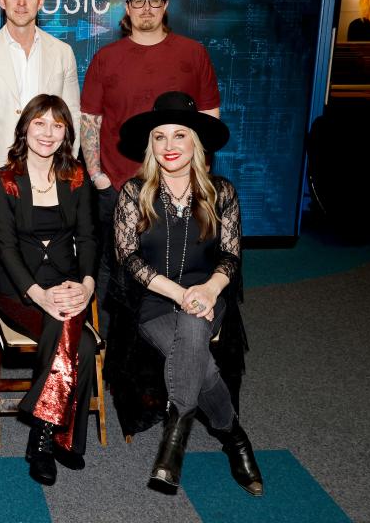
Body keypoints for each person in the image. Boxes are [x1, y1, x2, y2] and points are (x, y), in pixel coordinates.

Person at [104, 91, 262, 496]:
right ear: (150, 145)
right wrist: (180, 293)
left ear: (196, 143)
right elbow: (129, 259)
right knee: (200, 359)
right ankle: (235, 437)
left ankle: (172, 444)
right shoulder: (133, 193)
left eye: (180, 136)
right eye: (160, 137)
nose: (169, 146)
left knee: (194, 324)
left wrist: (208, 289)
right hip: (153, 300)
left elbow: (230, 255)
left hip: (210, 296)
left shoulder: (220, 192)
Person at [80, 0, 221, 339]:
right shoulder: (106, 58)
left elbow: (208, 121)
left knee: (177, 266)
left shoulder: (193, 53)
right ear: (127, 8)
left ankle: (178, 342)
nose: (147, 8)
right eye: (138, 1)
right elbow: (90, 121)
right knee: (113, 269)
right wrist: (98, 176)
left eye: (154, 0)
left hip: (177, 188)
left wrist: (198, 179)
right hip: (119, 184)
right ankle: (107, 351)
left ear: (166, 6)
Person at [0, 0, 81, 373]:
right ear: (2, 0)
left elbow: (73, 120)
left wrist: (68, 177)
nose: (22, 2)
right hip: (0, 181)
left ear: (41, 2)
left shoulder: (62, 53)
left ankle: (52, 318)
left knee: (50, 253)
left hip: (50, 177)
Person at [0, 94, 96, 486]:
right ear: (25, 128)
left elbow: (87, 238)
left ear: (66, 132)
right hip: (21, 292)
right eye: (40, 123)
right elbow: (7, 248)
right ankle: (59, 435)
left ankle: (42, 433)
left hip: (70, 286)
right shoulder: (5, 180)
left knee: (78, 343)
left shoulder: (77, 176)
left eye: (57, 125)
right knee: (75, 339)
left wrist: (86, 285)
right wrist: (38, 294)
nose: (47, 133)